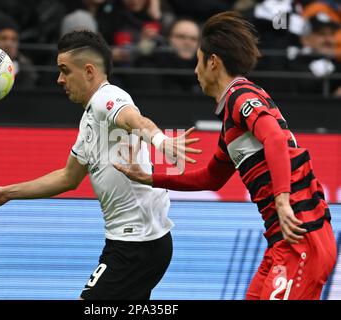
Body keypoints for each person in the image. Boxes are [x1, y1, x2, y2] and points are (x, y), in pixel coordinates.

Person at [114, 11, 337, 300]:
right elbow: (211, 178)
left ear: (213, 62)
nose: (195, 71)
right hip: (282, 242)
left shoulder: (241, 96)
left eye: (198, 62)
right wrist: (150, 177)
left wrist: (282, 199)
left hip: (300, 235)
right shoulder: (232, 123)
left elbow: (275, 137)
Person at [0, 30, 200, 300]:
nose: (59, 79)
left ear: (89, 71)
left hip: (137, 245)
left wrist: (161, 140)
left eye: (65, 71)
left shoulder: (109, 98)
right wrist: (7, 193)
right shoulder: (90, 118)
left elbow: (133, 119)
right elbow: (68, 177)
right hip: (129, 243)